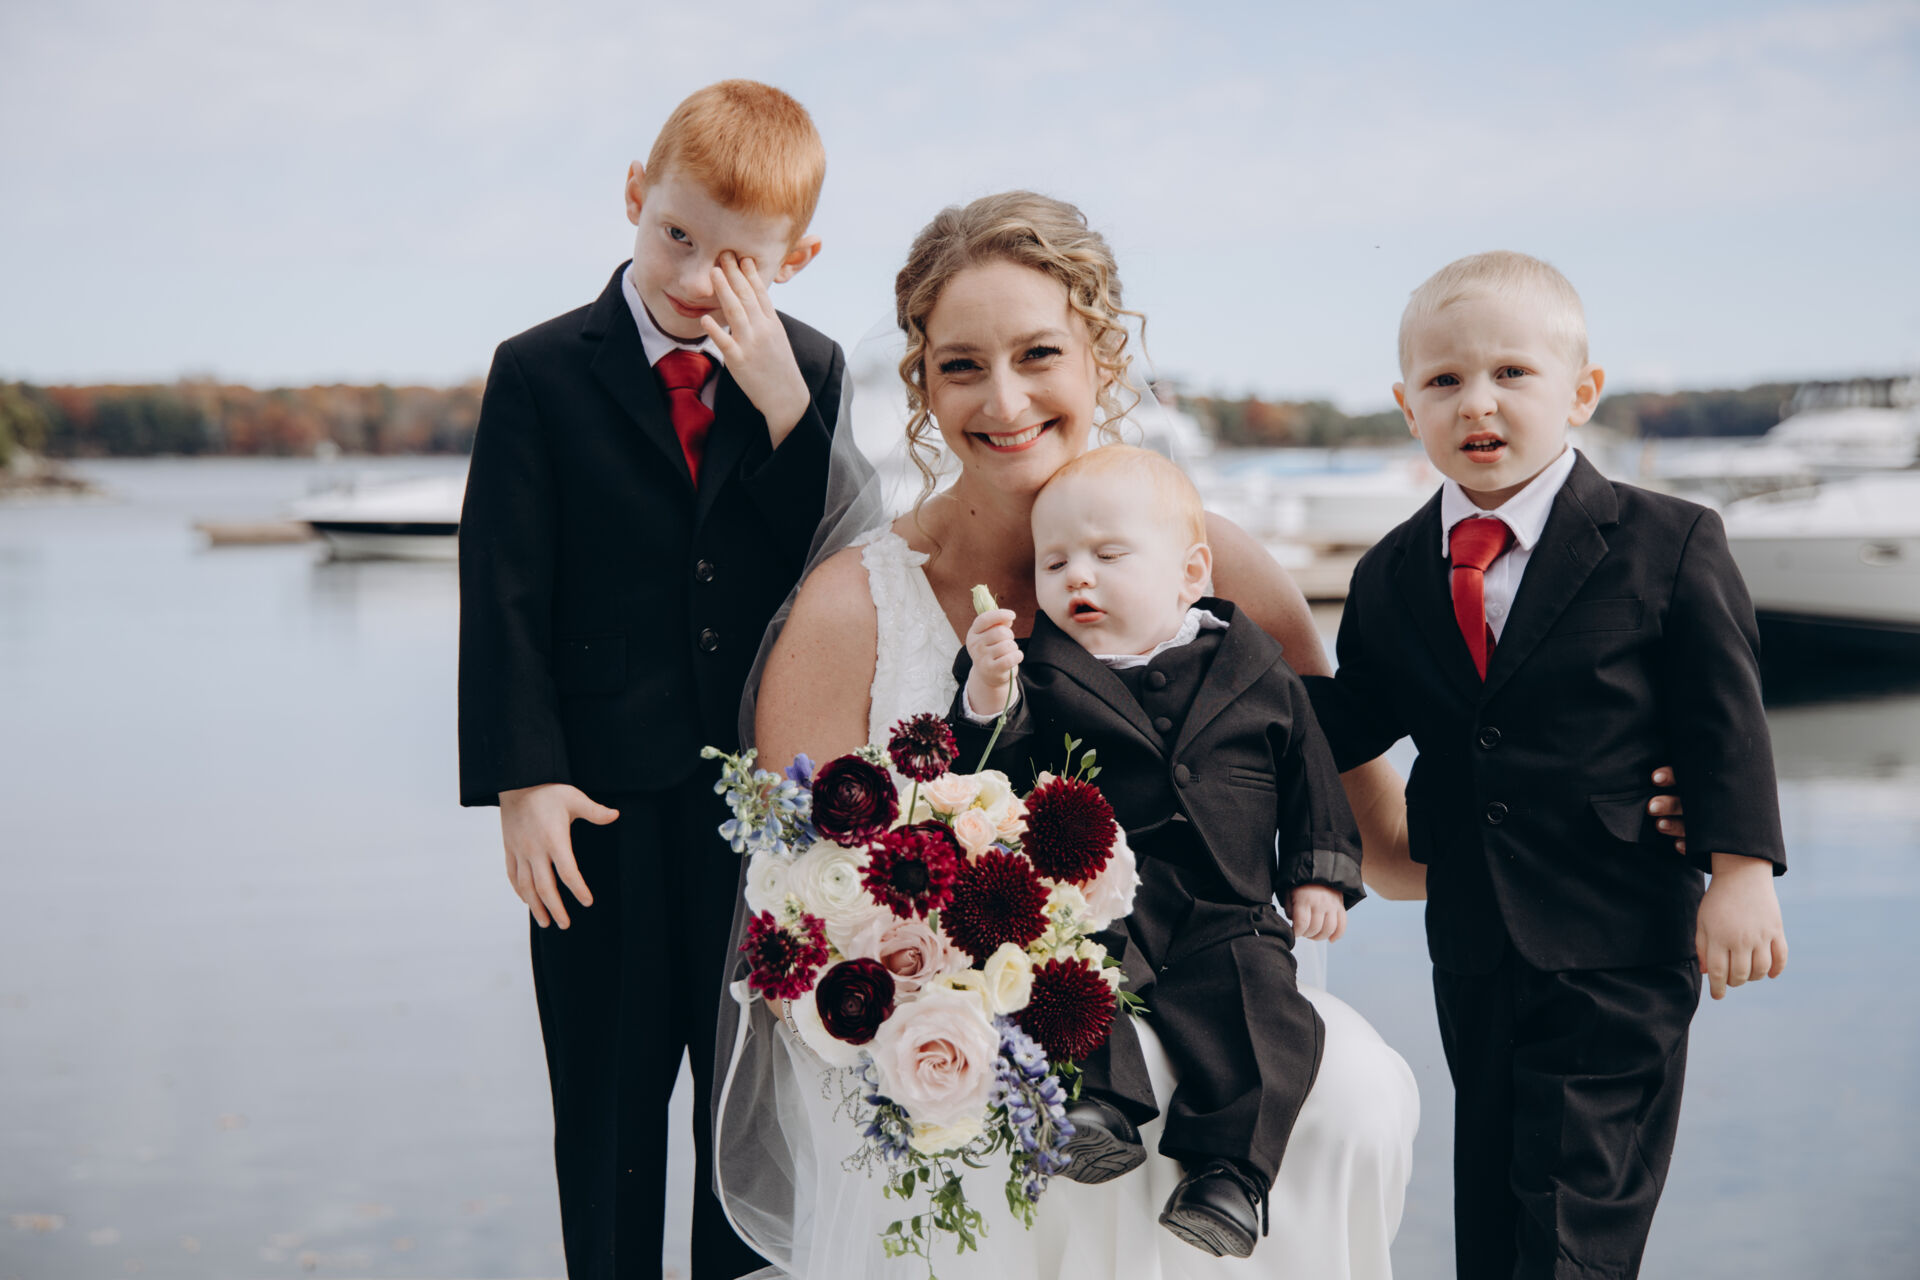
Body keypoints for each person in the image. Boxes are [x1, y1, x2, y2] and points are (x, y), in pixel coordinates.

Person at [740, 190, 1418, 1280]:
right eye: (962, 365)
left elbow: (1381, 844)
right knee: (1022, 1118)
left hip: (1220, 977)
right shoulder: (853, 606)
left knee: (1360, 1090)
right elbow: (802, 903)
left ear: (1103, 356)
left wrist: (1608, 790)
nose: (1004, 398)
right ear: (921, 383)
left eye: (1039, 353)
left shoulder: (1216, 566)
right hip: (961, 1027)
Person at [1304, 250, 1790, 1279]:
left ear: (1581, 391)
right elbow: (1354, 714)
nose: (1477, 401)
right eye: (1444, 380)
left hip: (1620, 934)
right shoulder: (1392, 571)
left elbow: (1725, 717)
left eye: (1511, 373)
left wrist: (1741, 870)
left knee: (1577, 1216)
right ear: (1407, 407)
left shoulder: (1669, 541)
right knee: (1492, 1203)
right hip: (1475, 939)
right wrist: (1206, 682)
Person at [457, 81, 848, 1279]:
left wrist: (785, 412)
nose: (695, 277)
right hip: (594, 805)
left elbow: (824, 571)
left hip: (762, 812)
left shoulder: (812, 371)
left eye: (738, 261)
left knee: (747, 1109)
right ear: (635, 194)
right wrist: (523, 777)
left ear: (796, 261)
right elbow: (502, 584)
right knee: (609, 1111)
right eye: (677, 234)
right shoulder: (538, 369)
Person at [949, 445, 1364, 1259]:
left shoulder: (1254, 667)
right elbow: (985, 775)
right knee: (1068, 978)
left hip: (1229, 906)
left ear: (1189, 573)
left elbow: (1309, 771)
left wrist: (1317, 872)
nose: (1078, 577)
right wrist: (989, 693)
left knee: (1266, 1017)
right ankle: (1093, 1107)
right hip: (1096, 899)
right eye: (1054, 563)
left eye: (1108, 556)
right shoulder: (1038, 673)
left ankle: (1229, 1175)